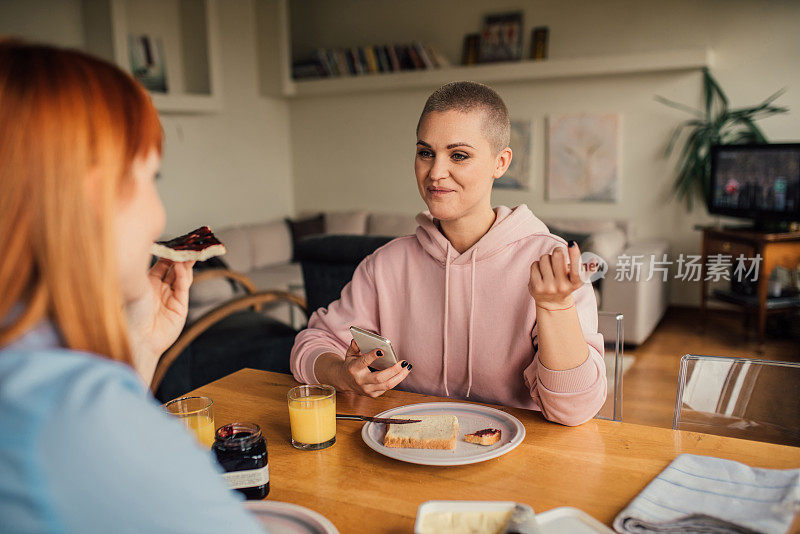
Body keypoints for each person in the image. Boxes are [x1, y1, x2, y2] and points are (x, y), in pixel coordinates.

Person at [0, 41, 263, 532]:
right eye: (151, 177)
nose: (159, 214)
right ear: (95, 195)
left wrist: (139, 348)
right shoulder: (77, 416)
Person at [291, 81, 606, 426]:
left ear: (500, 162)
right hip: (408, 451)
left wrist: (555, 307)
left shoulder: (549, 264)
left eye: (458, 155)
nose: (435, 173)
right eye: (426, 152)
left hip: (519, 459)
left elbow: (574, 410)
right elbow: (311, 344)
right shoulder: (386, 264)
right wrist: (341, 373)